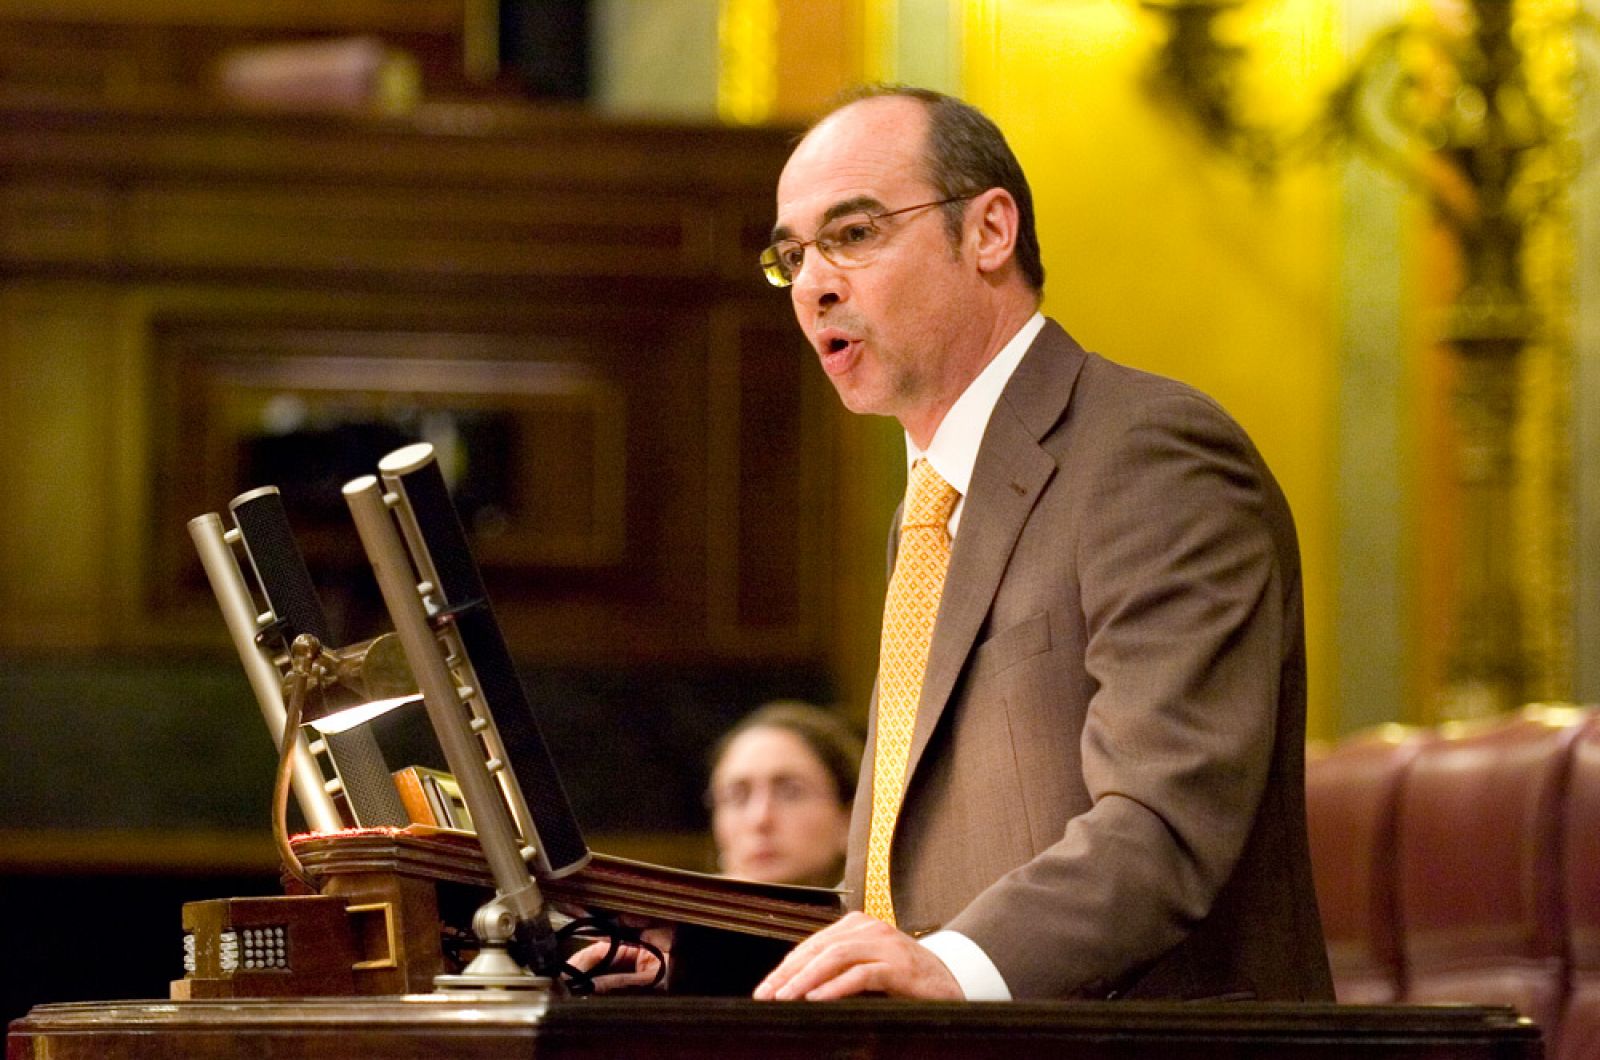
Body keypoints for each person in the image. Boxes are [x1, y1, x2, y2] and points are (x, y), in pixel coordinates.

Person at [747, 86, 1333, 1004]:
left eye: (854, 235)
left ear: (988, 232)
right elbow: (894, 906)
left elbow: (1165, 821)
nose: (815, 282)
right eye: (793, 256)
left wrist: (954, 967)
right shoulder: (930, 504)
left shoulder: (1150, 455)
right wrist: (680, 952)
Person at [707, 701, 862, 887]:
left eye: (790, 793)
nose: (759, 818)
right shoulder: (678, 914)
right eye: (737, 797)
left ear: (850, 820)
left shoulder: (885, 915)